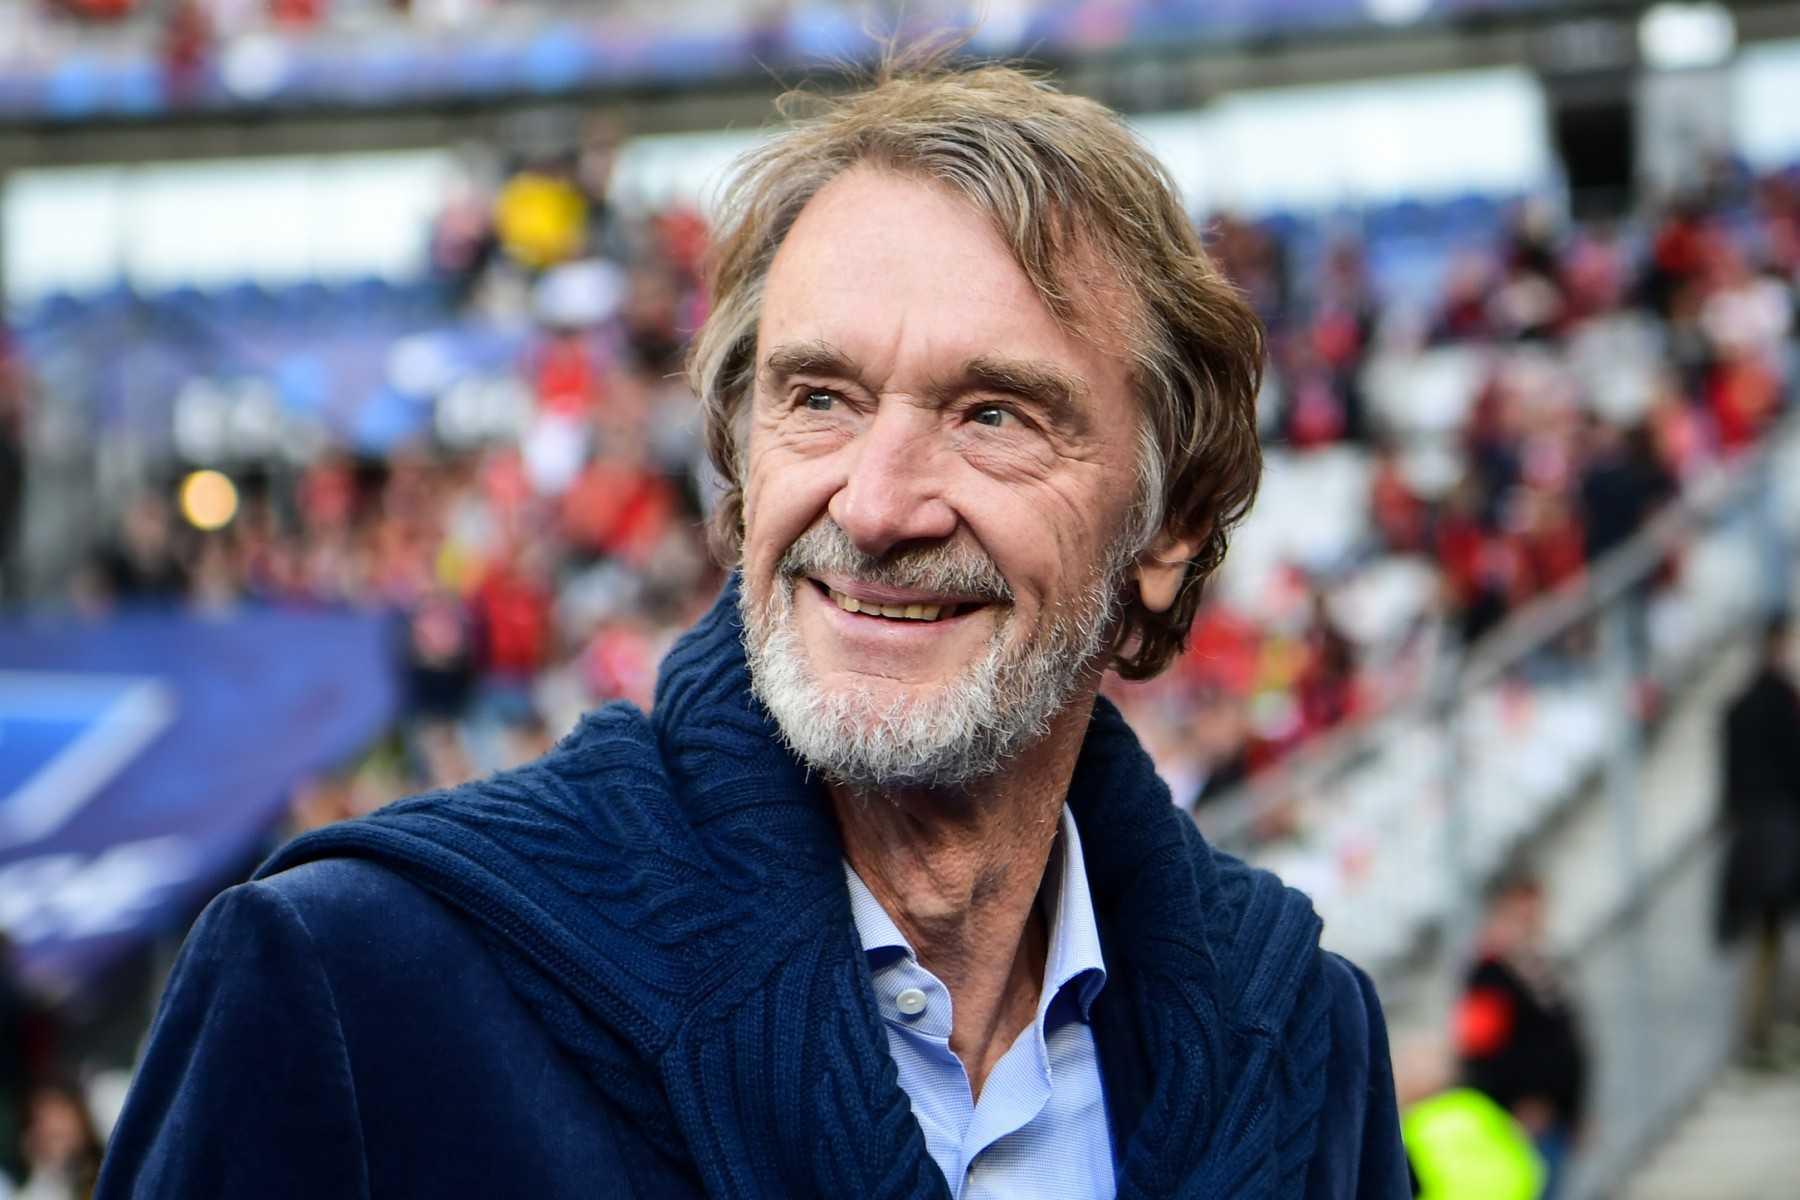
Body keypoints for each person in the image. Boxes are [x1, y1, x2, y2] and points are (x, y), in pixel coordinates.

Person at [98, 58, 1408, 1198]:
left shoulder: (1300, 1039)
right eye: (820, 398)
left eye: (994, 413)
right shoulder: (352, 986)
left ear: (1168, 528)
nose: (881, 503)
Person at [1454, 872, 1588, 1200]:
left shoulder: (1543, 966)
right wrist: (1514, 1105)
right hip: (1519, 1122)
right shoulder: (1490, 976)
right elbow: (1479, 1050)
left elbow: (1565, 1043)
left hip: (1553, 1119)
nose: (1531, 922)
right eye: (1521, 913)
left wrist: (1574, 1109)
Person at [1717, 613, 1800, 1064]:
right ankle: (1762, 1039)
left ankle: (1761, 1037)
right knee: (1769, 943)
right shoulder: (1781, 705)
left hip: (1753, 847)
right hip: (1778, 845)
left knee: (1766, 945)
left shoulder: (1739, 707)